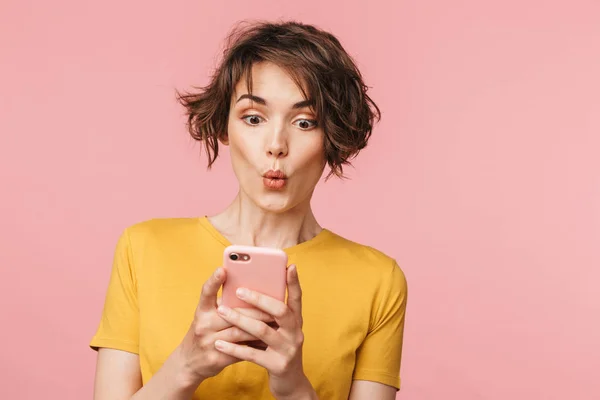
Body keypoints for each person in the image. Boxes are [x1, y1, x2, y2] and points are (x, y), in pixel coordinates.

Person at [90, 20, 408, 400]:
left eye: (305, 122)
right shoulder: (143, 248)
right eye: (253, 118)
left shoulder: (377, 280)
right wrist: (186, 365)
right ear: (224, 126)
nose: (276, 145)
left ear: (333, 137)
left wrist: (294, 386)